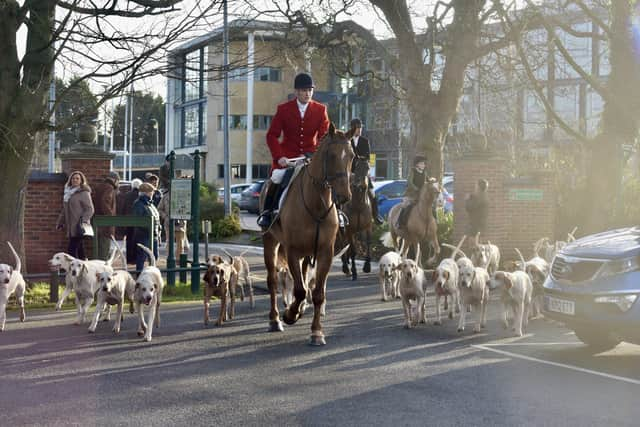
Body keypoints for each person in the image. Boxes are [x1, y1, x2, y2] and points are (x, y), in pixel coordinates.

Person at [257, 72, 330, 228]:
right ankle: (268, 213)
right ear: (296, 92)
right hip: (288, 159)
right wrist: (279, 157)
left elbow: (324, 137)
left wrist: (314, 154)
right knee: (277, 177)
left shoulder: (320, 110)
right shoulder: (284, 110)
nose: (307, 93)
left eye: (310, 90)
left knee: (329, 180)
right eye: (304, 90)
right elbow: (272, 135)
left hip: (311, 158)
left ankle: (337, 215)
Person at [347, 118, 383, 225]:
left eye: (360, 128)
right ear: (352, 129)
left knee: (373, 194)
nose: (359, 130)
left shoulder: (365, 141)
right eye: (357, 128)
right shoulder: (347, 141)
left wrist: (368, 170)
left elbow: (369, 157)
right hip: (350, 172)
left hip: (362, 172)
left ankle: (376, 216)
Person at [56, 171, 95, 259]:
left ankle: (72, 268)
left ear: (81, 181)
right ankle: (84, 266)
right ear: (70, 180)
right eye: (73, 178)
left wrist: (83, 220)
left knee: (71, 249)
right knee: (80, 249)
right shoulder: (68, 193)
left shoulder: (84, 193)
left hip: (79, 227)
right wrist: (60, 222)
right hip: (71, 226)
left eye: (77, 178)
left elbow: (90, 209)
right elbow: (64, 210)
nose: (75, 180)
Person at [132, 182, 161, 273]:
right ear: (147, 193)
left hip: (153, 235)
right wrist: (148, 229)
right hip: (144, 235)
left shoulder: (150, 203)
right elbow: (138, 220)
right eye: (151, 192)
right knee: (142, 257)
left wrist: (158, 229)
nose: (153, 194)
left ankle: (151, 275)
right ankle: (139, 276)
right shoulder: (139, 204)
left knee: (154, 256)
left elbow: (156, 218)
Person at [91, 171, 119, 260]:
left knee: (98, 248)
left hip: (97, 221)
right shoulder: (109, 188)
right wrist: (110, 217)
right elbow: (105, 202)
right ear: (115, 179)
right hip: (105, 224)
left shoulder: (99, 186)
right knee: (104, 250)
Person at [396, 155, 428, 230]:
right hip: (411, 194)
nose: (424, 165)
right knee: (406, 206)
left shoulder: (424, 172)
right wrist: (416, 189)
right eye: (422, 163)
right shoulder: (412, 171)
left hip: (421, 194)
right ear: (417, 164)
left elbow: (427, 180)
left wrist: (432, 181)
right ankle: (400, 222)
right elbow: (409, 182)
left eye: (424, 163)